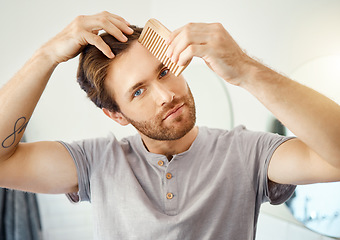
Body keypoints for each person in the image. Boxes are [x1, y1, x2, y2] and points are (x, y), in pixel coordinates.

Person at [0, 11, 339, 240]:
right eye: (138, 91)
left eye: (164, 71)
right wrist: (46, 55)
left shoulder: (248, 152)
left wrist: (246, 68)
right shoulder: (95, 163)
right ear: (116, 115)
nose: (165, 96)